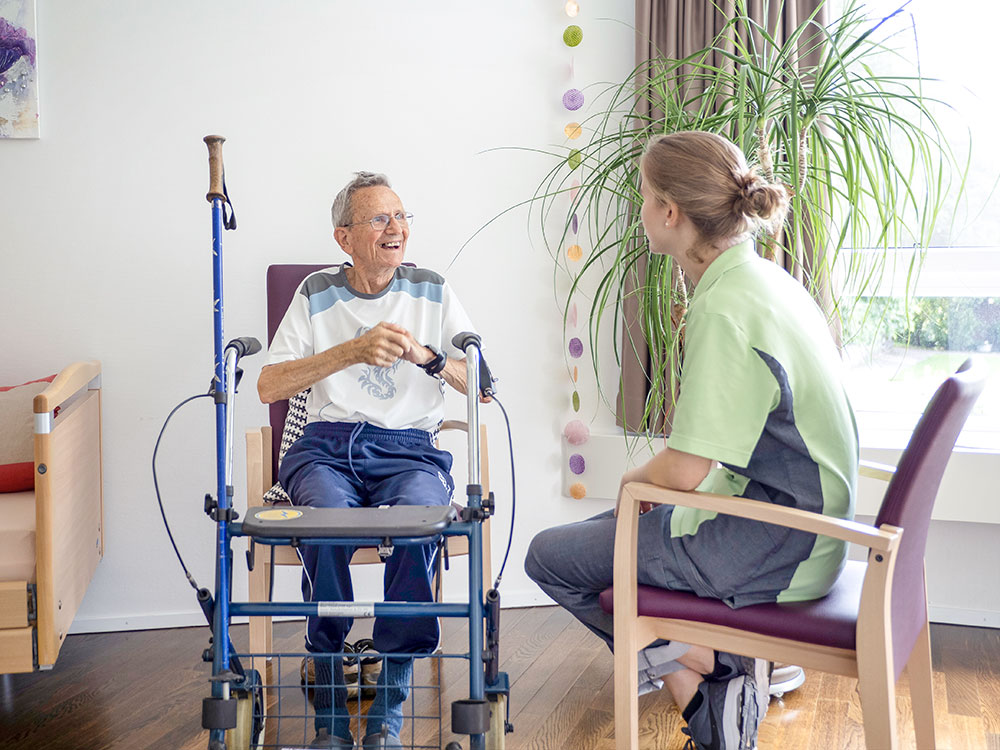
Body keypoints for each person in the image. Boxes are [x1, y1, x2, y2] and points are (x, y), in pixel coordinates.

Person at [525, 131, 858, 750]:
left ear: (671, 213)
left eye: (645, 198)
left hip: (780, 541)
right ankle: (715, 672)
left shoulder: (725, 304)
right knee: (605, 537)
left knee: (551, 558)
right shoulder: (764, 280)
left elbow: (684, 469)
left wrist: (629, 491)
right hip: (799, 523)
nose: (641, 211)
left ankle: (718, 677)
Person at [258, 171, 479, 750]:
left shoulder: (432, 288)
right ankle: (331, 715)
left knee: (416, 523)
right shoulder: (315, 292)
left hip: (410, 452)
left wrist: (425, 357)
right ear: (344, 237)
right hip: (326, 448)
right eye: (379, 219)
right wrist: (351, 350)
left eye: (402, 216)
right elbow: (268, 384)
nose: (396, 229)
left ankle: (387, 712)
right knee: (325, 525)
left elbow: (480, 386)